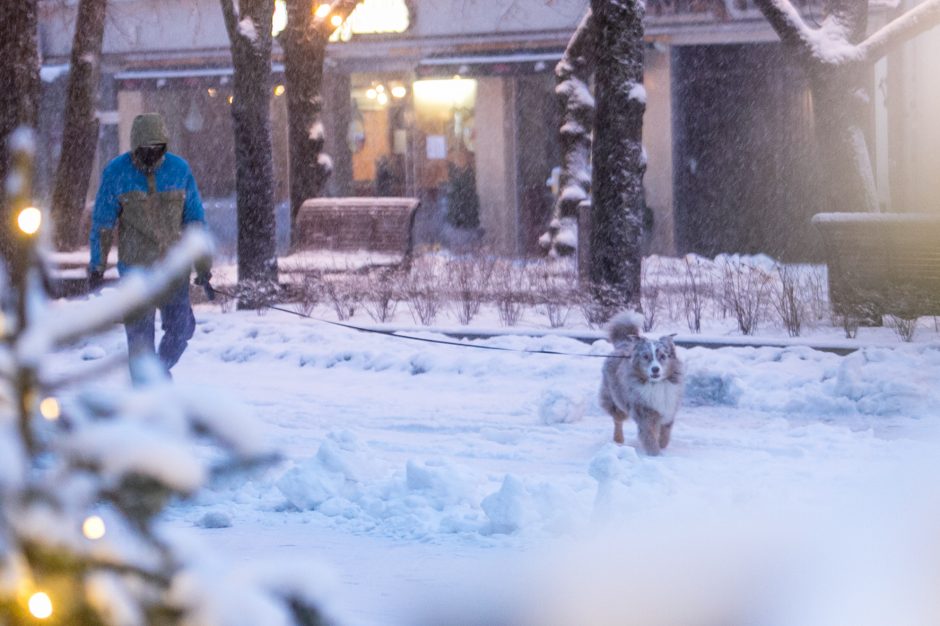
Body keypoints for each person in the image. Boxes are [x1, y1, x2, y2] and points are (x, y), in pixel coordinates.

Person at [88, 112, 212, 382]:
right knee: (140, 339)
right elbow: (103, 224)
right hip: (136, 270)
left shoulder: (179, 171)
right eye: (145, 150)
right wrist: (97, 264)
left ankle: (156, 372)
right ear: (135, 147)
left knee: (182, 328)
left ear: (164, 146)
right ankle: (145, 394)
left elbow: (194, 220)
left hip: (173, 270)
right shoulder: (117, 173)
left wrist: (203, 265)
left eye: (157, 149)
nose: (151, 155)